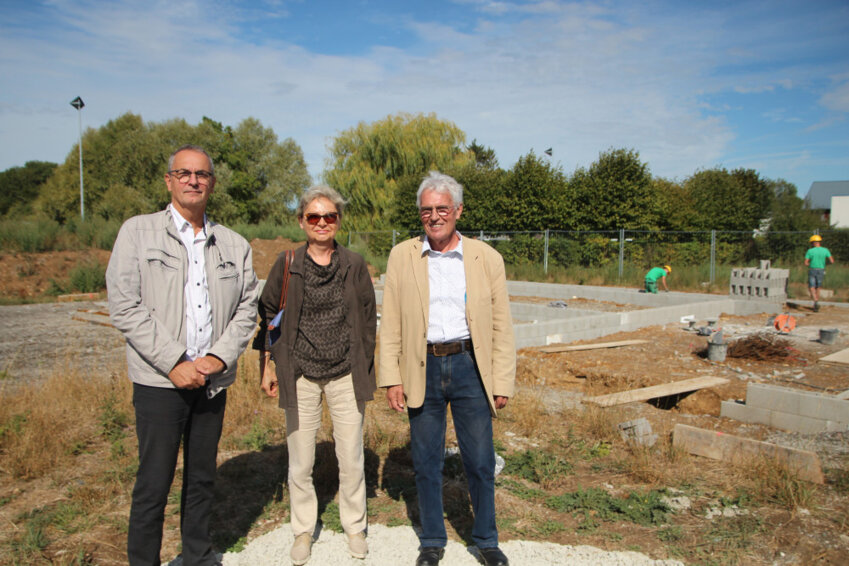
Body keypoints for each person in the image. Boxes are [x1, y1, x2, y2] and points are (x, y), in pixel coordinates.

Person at [106, 144, 258, 566]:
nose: (194, 180)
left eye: (202, 174)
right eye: (185, 173)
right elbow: (124, 304)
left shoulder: (233, 243)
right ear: (169, 181)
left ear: (212, 183)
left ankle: (197, 554)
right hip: (160, 382)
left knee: (202, 476)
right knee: (154, 482)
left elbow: (247, 308)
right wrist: (174, 362)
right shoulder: (137, 233)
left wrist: (218, 359)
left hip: (211, 383)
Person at [379, 171, 515, 566]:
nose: (434, 216)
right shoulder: (402, 256)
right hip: (422, 367)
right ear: (420, 214)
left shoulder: (486, 257)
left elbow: (501, 324)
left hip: (471, 366)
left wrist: (502, 379)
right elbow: (390, 324)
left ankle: (487, 539)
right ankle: (432, 541)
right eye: (427, 210)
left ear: (457, 211)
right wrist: (391, 377)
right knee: (426, 461)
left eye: (442, 209)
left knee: (480, 460)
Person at [255, 186, 376, 565]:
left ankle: (354, 526)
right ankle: (303, 530)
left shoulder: (354, 264)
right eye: (313, 217)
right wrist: (270, 365)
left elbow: (369, 316)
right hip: (301, 374)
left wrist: (367, 365)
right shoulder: (287, 262)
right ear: (301, 221)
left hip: (344, 373)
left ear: (339, 221)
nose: (322, 223)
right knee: (301, 460)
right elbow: (268, 315)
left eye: (329, 216)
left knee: (352, 457)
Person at [805, 234, 834, 312]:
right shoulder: (825, 250)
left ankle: (815, 300)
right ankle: (817, 301)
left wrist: (810, 263)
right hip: (821, 270)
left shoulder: (810, 251)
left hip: (812, 269)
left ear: (813, 243)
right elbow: (832, 261)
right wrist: (824, 264)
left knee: (811, 286)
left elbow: (806, 263)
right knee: (818, 286)